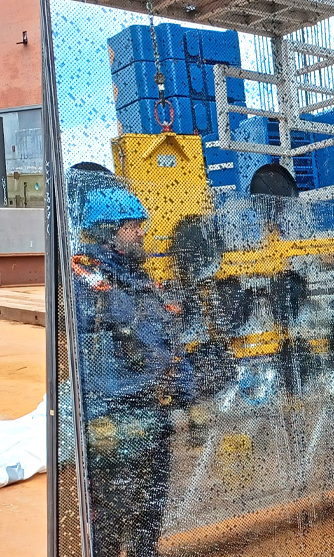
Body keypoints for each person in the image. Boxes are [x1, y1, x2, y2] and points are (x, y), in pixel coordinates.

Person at [72, 186, 197, 557]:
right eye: (133, 225)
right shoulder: (89, 279)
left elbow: (167, 335)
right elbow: (144, 341)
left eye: (141, 224)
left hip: (149, 414)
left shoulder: (138, 280)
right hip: (114, 419)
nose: (142, 232)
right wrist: (177, 377)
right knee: (111, 525)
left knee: (148, 517)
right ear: (107, 232)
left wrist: (185, 382)